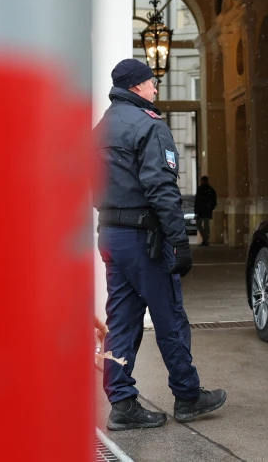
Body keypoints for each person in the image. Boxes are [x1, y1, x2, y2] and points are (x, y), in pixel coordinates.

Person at [96, 58, 227, 431]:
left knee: (121, 322)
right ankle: (187, 396)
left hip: (111, 235)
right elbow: (161, 188)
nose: (156, 86)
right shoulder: (148, 126)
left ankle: (122, 404)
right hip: (145, 239)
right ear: (136, 86)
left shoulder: (99, 129)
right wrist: (179, 240)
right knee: (169, 316)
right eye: (152, 81)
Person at [194, 175, 218, 247]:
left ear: (202, 181)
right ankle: (206, 239)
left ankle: (205, 239)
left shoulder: (200, 189)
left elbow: (197, 201)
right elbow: (214, 201)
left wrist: (196, 211)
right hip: (207, 210)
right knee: (206, 225)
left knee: (199, 224)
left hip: (201, 210)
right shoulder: (211, 190)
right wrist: (211, 208)